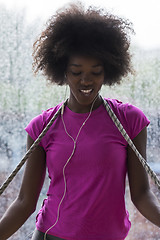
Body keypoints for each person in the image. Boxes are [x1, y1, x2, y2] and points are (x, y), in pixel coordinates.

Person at [0, 2, 160, 240]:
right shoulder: (41, 127)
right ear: (63, 71)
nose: (86, 81)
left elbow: (141, 194)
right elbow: (24, 202)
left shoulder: (129, 120)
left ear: (108, 71)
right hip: (49, 235)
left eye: (96, 72)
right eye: (76, 72)